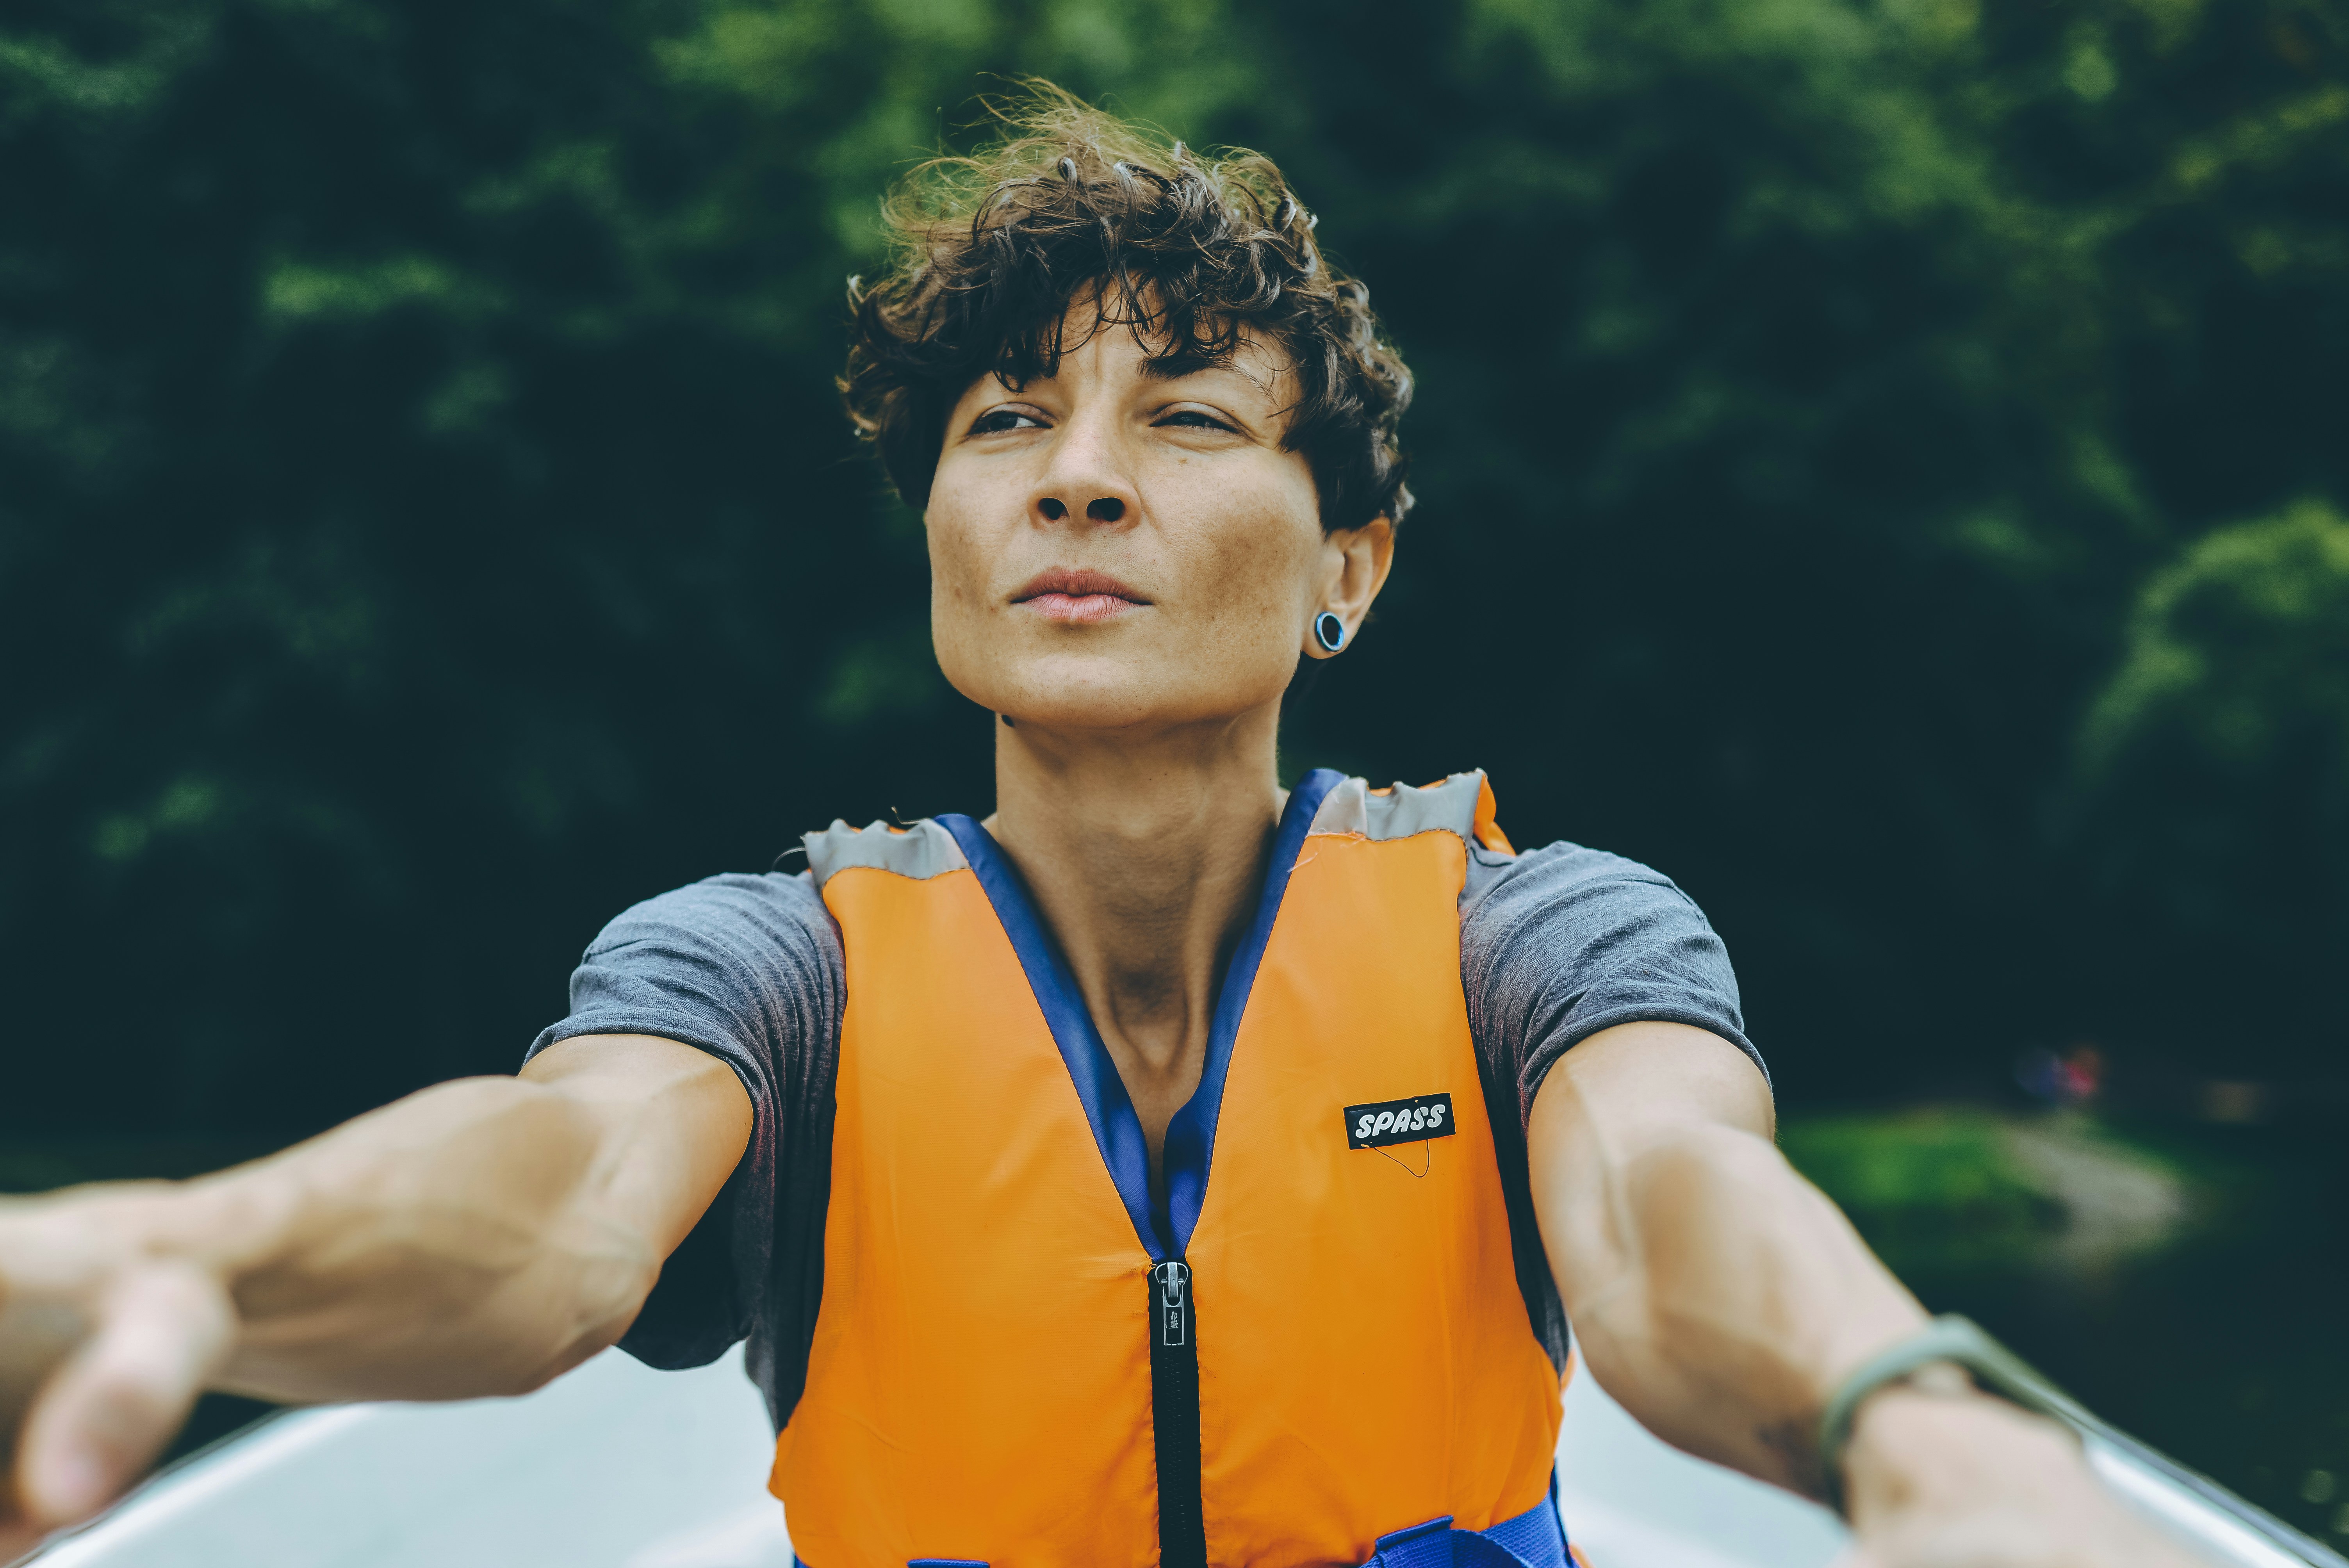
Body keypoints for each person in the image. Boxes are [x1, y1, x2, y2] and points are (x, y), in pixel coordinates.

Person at [0, 90, 2204, 1568]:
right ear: (941, 536)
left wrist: (1898, 1404)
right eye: (1005, 422)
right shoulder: (768, 971)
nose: (1075, 473)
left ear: (1353, 568)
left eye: (1187, 418)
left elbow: (1666, 1212)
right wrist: (208, 1250)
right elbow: (554, 1207)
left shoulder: (1542, 937)